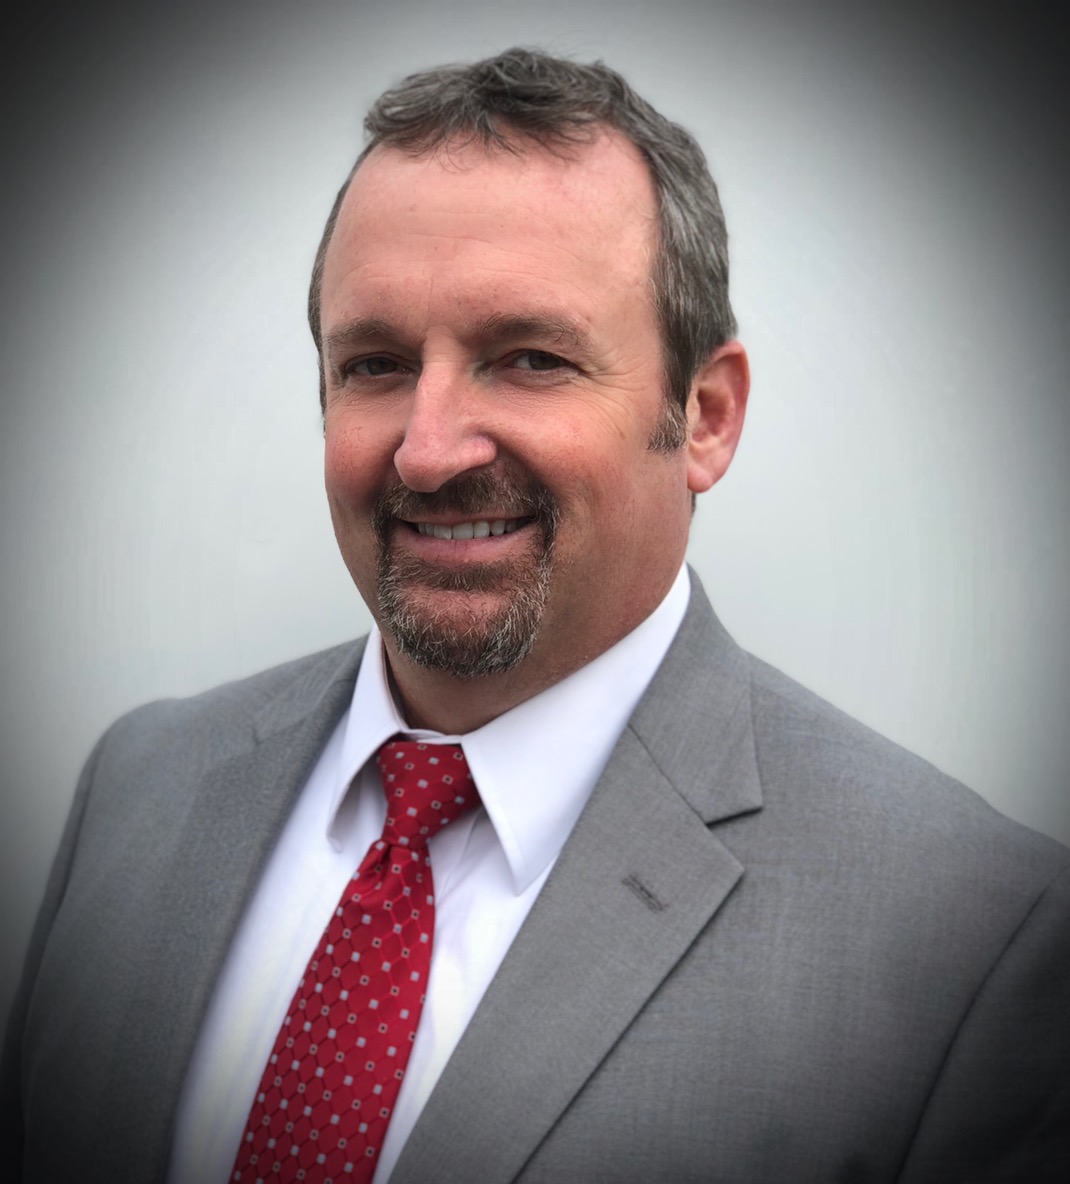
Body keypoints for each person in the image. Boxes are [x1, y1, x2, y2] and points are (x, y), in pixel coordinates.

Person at [3, 46, 1068, 1184]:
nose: (426, 445)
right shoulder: (138, 787)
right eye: (374, 363)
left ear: (703, 415)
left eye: (528, 358)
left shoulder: (970, 940)